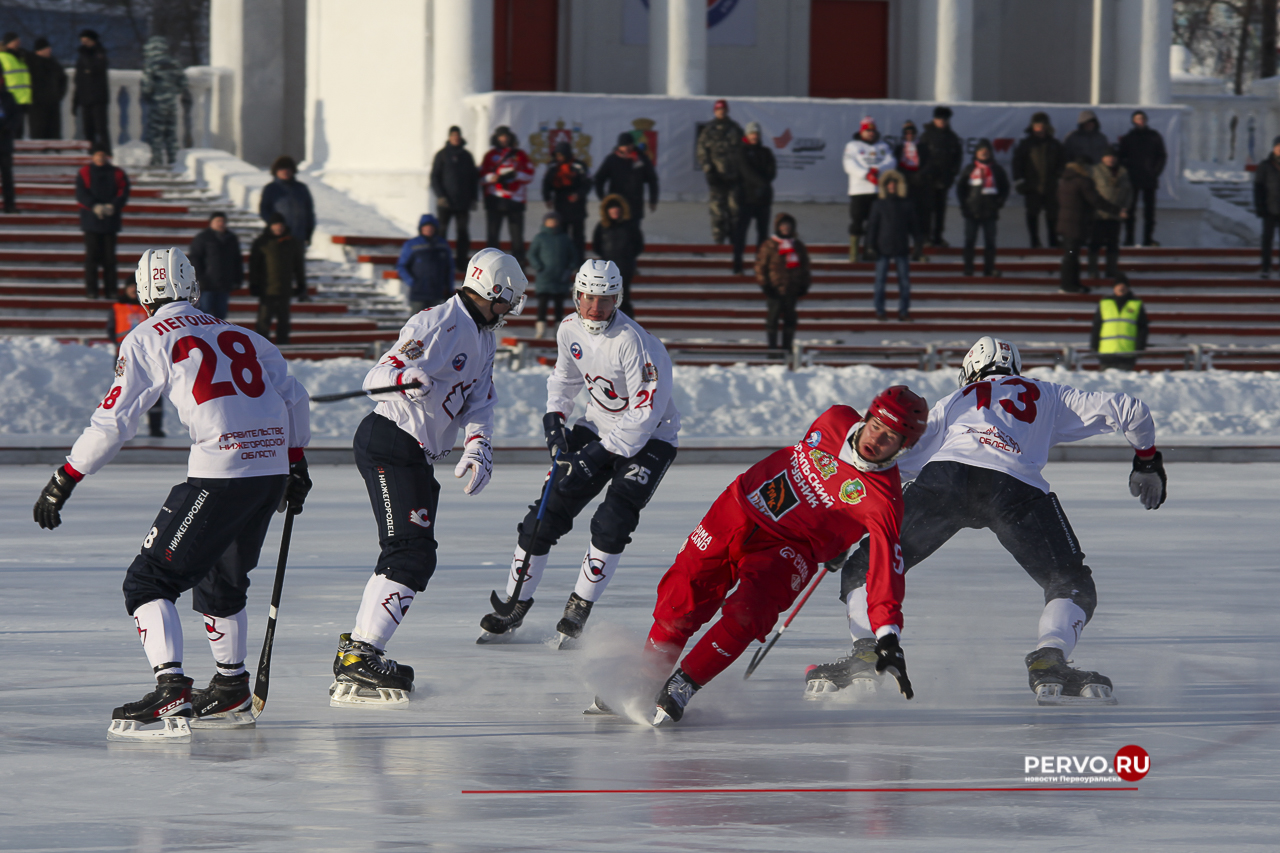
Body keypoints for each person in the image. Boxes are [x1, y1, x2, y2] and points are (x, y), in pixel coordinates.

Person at [32, 247, 311, 739]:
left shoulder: (145, 337)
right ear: (194, 288)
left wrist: (66, 477)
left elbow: (115, 420)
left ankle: (171, 689)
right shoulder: (244, 333)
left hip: (220, 471)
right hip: (268, 470)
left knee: (148, 582)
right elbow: (293, 396)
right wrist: (294, 460)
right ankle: (230, 687)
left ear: (143, 296)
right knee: (222, 580)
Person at [808, 336, 1167, 707]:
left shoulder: (954, 401)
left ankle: (867, 653)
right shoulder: (1050, 394)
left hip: (946, 480)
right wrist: (1146, 461)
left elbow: (900, 459)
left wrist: (851, 515)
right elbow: (1131, 409)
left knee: (864, 567)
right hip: (1013, 486)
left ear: (971, 371)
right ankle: (1050, 658)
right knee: (1071, 584)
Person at [615, 387, 929, 726]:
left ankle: (683, 684)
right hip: (739, 509)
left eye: (891, 437)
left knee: (749, 612)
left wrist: (888, 636)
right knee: (682, 596)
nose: (877, 439)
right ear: (865, 417)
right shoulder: (834, 418)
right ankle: (646, 680)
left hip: (790, 550)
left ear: (904, 448)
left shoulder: (884, 501)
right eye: (876, 426)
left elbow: (885, 572)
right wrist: (840, 538)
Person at [329, 249, 525, 707]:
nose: (509, 312)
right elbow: (376, 376)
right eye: (507, 302)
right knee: (410, 554)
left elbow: (480, 399)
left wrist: (479, 443)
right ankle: (361, 655)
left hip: (412, 451)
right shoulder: (438, 324)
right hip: (390, 440)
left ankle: (360, 649)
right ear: (491, 292)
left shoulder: (483, 334)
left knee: (413, 554)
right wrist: (406, 375)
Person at [477, 259, 679, 647]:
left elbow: (645, 413)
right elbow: (566, 377)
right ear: (576, 296)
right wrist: (555, 415)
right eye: (587, 297)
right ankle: (514, 603)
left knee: (612, 520)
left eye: (605, 299)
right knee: (546, 510)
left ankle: (578, 606)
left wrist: (597, 455)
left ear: (618, 298)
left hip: (651, 438)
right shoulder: (569, 328)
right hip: (599, 424)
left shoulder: (634, 342)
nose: (595, 308)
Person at [105, 281, 166, 437]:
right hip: (124, 357)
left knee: (154, 392)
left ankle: (155, 427)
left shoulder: (152, 307)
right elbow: (111, 330)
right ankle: (122, 427)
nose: (133, 289)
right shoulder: (117, 307)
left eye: (136, 287)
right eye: (130, 286)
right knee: (125, 392)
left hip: (149, 357)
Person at [1058, 158, 1122, 294]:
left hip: (1066, 224)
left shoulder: (1064, 181)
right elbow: (1096, 200)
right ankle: (1067, 285)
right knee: (1071, 255)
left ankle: (1072, 283)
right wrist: (1116, 210)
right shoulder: (1083, 182)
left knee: (1071, 255)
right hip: (1075, 224)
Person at [76, 143, 131, 299]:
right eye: (97, 155)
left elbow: (123, 191)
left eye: (103, 155)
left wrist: (113, 206)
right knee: (91, 258)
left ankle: (111, 290)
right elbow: (81, 194)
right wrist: (94, 206)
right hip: (90, 220)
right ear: (93, 157)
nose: (100, 158)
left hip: (110, 220)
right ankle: (92, 290)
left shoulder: (118, 173)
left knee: (110, 258)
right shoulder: (85, 172)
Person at [754, 212, 811, 349]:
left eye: (788, 225)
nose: (786, 227)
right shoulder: (769, 245)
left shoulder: (797, 246)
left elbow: (805, 266)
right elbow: (760, 266)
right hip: (774, 288)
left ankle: (787, 347)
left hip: (792, 288)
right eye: (783, 225)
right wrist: (765, 284)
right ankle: (772, 349)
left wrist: (804, 284)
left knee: (790, 319)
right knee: (772, 319)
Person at [843, 116, 895, 263]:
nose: (870, 133)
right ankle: (853, 253)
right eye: (867, 131)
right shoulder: (852, 146)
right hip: (859, 190)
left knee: (875, 222)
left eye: (872, 131)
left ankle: (870, 250)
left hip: (878, 190)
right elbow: (849, 164)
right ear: (861, 132)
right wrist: (866, 174)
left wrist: (878, 169)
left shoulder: (883, 146)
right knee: (857, 221)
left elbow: (891, 161)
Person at [865, 170, 916, 321]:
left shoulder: (907, 204)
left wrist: (918, 244)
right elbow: (872, 226)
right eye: (889, 184)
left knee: (905, 283)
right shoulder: (878, 204)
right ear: (885, 186)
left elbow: (914, 226)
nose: (892, 187)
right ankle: (880, 311)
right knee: (880, 282)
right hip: (882, 247)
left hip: (901, 247)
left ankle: (903, 311)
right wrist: (869, 246)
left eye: (895, 184)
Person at [479, 125, 535, 264]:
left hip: (515, 200)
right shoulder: (490, 155)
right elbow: (480, 176)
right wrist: (493, 177)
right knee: (493, 235)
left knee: (517, 236)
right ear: (496, 138)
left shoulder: (520, 155)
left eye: (506, 136)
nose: (504, 139)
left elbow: (530, 175)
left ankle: (519, 264)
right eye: (501, 136)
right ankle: (490, 263)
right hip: (495, 199)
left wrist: (516, 175)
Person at [955, 139, 1010, 278]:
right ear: (976, 153)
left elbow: (1005, 188)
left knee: (990, 242)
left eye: (986, 151)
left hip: (990, 212)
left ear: (990, 153)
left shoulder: (997, 169)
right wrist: (964, 206)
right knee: (969, 241)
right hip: (972, 212)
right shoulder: (969, 169)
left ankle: (989, 269)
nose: (984, 153)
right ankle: (968, 269)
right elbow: (960, 189)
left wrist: (999, 203)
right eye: (981, 151)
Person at [249, 213, 307, 344]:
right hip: (266, 288)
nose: (278, 228)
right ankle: (262, 345)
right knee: (264, 320)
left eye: (281, 225)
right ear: (270, 226)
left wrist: (301, 284)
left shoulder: (292, 242)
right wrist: (254, 284)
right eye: (275, 225)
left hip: (285, 288)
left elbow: (299, 265)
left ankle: (283, 344)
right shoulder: (262, 242)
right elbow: (254, 266)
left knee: (284, 319)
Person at [696, 99, 745, 246]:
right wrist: (708, 170)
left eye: (723, 109)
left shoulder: (735, 129)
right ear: (714, 111)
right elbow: (701, 151)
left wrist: (742, 172)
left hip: (734, 178)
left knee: (735, 211)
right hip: (716, 178)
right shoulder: (709, 130)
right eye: (718, 110)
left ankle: (734, 243)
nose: (721, 112)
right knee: (718, 212)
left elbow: (743, 151)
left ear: (727, 111)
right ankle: (719, 242)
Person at [1012, 112, 1065, 248]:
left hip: (1051, 186)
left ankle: (1053, 241)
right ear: (1032, 127)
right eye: (1037, 126)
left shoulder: (1054, 144)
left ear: (1047, 126)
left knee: (1053, 215)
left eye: (1043, 125)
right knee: (1032, 214)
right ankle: (1035, 242)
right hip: (1032, 186)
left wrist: (1060, 176)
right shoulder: (1026, 144)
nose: (1040, 128)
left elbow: (1062, 162)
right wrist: (1019, 180)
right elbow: (1017, 163)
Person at [430, 126, 479, 270]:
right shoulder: (442, 155)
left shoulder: (467, 155)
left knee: (462, 232)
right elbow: (435, 177)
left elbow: (473, 178)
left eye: (457, 135)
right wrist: (440, 195)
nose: (455, 138)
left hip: (463, 202)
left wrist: (474, 198)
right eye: (453, 136)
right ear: (449, 137)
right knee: (442, 231)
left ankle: (461, 263)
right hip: (445, 202)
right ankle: (440, 261)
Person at [1118, 111, 1167, 247]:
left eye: (1143, 118)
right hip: (1132, 179)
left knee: (1149, 212)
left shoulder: (1154, 136)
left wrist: (1155, 172)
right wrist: (1128, 171)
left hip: (1149, 179)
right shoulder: (1128, 138)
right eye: (1138, 119)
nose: (1141, 121)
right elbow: (1121, 157)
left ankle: (1148, 239)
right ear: (1133, 121)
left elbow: (1162, 156)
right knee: (1129, 210)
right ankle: (1129, 239)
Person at [734, 121, 777, 275]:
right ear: (747, 135)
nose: (754, 136)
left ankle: (760, 265)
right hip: (746, 198)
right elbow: (747, 172)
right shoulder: (741, 152)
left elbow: (772, 171)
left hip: (763, 200)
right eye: (752, 133)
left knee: (762, 235)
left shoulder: (766, 152)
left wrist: (763, 185)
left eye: (757, 134)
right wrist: (761, 183)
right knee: (741, 233)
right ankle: (738, 265)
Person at [591, 194, 644, 317]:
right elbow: (596, 245)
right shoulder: (602, 226)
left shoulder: (630, 225)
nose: (615, 212)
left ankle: (629, 323)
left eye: (617, 210)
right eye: (612, 210)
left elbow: (638, 244)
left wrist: (628, 256)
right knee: (609, 296)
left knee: (623, 296)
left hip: (625, 265)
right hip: (608, 267)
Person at [918, 106, 963, 247]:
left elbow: (958, 158)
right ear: (934, 119)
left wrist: (952, 174)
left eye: (945, 119)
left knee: (940, 210)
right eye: (939, 119)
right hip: (929, 179)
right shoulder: (927, 136)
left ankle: (938, 236)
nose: (942, 121)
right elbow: (920, 156)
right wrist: (925, 173)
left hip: (944, 180)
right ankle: (925, 237)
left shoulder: (953, 137)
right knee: (926, 210)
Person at [140, 36, 188, 167]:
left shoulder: (151, 63)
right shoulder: (174, 63)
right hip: (171, 104)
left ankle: (156, 161)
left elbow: (147, 85)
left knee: (155, 134)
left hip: (157, 104)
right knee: (171, 134)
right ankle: (174, 161)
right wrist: (172, 92)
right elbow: (183, 83)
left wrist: (148, 96)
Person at [527, 210, 576, 337]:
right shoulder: (540, 238)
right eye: (550, 220)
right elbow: (532, 254)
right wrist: (539, 267)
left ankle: (558, 332)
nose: (553, 222)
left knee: (559, 306)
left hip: (561, 278)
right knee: (542, 304)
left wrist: (569, 269)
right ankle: (540, 330)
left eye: (555, 220)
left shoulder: (564, 238)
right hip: (544, 277)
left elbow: (573, 256)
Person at [594, 131, 658, 225]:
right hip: (616, 206)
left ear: (633, 144)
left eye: (629, 145)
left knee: (633, 235)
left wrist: (653, 200)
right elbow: (599, 178)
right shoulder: (612, 159)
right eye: (624, 145)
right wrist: (602, 197)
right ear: (619, 146)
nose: (627, 148)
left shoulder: (641, 158)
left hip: (634, 206)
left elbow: (653, 180)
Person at [187, 211, 243, 320]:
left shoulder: (231, 238)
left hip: (224, 284)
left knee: (221, 316)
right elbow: (195, 259)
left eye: (223, 221)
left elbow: (237, 260)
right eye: (218, 221)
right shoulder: (203, 238)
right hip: (207, 285)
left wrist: (237, 278)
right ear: (211, 223)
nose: (221, 223)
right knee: (204, 315)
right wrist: (199, 279)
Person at [1089, 147, 1133, 280]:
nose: (1111, 159)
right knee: (1095, 243)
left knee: (1113, 243)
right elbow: (1090, 192)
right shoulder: (1094, 171)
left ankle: (1111, 270)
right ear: (1102, 158)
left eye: (1113, 156)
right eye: (1108, 156)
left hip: (1116, 214)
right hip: (1099, 214)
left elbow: (1129, 192)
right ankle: (1093, 271)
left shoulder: (1123, 172)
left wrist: (1125, 208)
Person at [542, 141, 591, 260]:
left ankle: (578, 261)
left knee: (578, 237)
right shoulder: (553, 166)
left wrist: (579, 194)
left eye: (561, 155)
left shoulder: (579, 166)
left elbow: (587, 183)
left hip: (577, 206)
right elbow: (546, 183)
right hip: (560, 204)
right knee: (561, 235)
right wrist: (547, 198)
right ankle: (563, 262)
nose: (559, 158)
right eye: (557, 155)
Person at [396, 213, 454, 315]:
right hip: (418, 293)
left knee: (436, 323)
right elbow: (402, 266)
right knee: (417, 324)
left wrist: (449, 288)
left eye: (431, 227)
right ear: (421, 228)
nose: (429, 229)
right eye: (426, 227)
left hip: (437, 292)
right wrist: (412, 282)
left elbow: (449, 267)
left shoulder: (443, 245)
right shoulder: (411, 244)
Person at [1090, 278, 1149, 371]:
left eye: (1124, 286)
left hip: (1127, 352)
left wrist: (1140, 347)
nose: (1121, 288)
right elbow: (1097, 326)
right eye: (1118, 285)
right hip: (1106, 352)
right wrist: (1094, 345)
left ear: (1128, 288)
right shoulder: (1105, 303)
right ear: (1114, 288)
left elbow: (1142, 328)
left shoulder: (1136, 303)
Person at [258, 156, 315, 247]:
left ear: (293, 171)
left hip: (298, 235)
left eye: (288, 169)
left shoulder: (301, 188)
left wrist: (309, 232)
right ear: (276, 171)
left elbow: (309, 212)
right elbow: (264, 209)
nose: (285, 172)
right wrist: (273, 224)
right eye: (281, 169)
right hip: (278, 236)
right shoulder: (271, 188)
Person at [893, 119, 927, 258]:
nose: (909, 135)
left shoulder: (923, 147)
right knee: (903, 220)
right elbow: (894, 165)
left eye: (912, 132)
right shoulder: (898, 148)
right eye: (907, 132)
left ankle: (918, 250)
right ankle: (903, 248)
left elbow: (929, 164)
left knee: (918, 221)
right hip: (903, 187)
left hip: (919, 188)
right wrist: (905, 176)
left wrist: (920, 175)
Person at [74, 30, 110, 154]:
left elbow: (95, 69)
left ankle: (106, 153)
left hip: (98, 98)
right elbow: (79, 80)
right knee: (88, 129)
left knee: (101, 128)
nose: (84, 44)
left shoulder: (99, 53)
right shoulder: (81, 56)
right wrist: (75, 100)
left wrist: (87, 60)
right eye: (82, 42)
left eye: (87, 41)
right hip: (85, 98)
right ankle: (91, 154)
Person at [26, 37, 67, 140]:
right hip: (37, 103)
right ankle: (38, 152)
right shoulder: (31, 63)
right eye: (47, 48)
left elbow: (63, 80)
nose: (49, 50)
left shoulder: (54, 63)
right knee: (38, 129)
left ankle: (54, 151)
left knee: (54, 130)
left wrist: (59, 95)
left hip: (53, 102)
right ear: (40, 50)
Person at [1255, 136, 1280, 278]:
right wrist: (1260, 208)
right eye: (1278, 146)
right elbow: (1258, 188)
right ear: (1274, 148)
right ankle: (1266, 268)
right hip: (1269, 209)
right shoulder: (1265, 165)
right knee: (1267, 240)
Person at [0, 33, 31, 139]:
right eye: (15, 41)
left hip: (22, 99)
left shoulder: (20, 58)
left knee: (18, 130)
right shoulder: (3, 57)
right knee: (8, 129)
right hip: (8, 99)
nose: (18, 43)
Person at [0, 81, 15, 214]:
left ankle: (9, 205)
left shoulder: (8, 97)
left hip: (4, 144)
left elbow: (16, 116)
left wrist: (8, 127)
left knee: (7, 177)